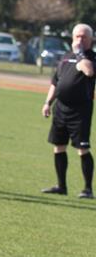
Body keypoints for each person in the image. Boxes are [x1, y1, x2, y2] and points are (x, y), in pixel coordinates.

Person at [41, 23, 95, 199]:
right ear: (72, 38)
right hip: (60, 108)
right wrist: (48, 102)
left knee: (82, 148)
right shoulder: (65, 57)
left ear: (91, 39)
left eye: (84, 37)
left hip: (80, 110)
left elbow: (88, 71)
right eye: (77, 36)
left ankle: (88, 189)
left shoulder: (91, 58)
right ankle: (61, 186)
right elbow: (55, 82)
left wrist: (80, 54)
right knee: (58, 146)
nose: (80, 40)